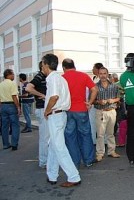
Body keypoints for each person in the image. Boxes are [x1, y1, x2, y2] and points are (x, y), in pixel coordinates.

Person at [41, 54, 81, 187]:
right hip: (60, 114)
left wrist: (46, 110)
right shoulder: (60, 78)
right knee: (53, 145)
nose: (42, 66)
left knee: (58, 147)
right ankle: (52, 175)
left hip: (55, 114)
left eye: (42, 64)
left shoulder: (52, 78)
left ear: (46, 64)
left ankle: (74, 176)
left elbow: (54, 97)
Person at [62, 58, 98, 168]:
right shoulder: (83, 76)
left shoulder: (62, 78)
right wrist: (90, 102)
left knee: (70, 136)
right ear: (74, 66)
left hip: (68, 110)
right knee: (86, 135)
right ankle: (88, 160)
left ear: (64, 68)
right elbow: (95, 89)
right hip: (82, 109)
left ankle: (74, 162)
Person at [25, 61, 49, 168]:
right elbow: (28, 88)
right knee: (45, 137)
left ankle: (46, 160)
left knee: (47, 137)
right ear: (43, 67)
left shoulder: (46, 77)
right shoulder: (39, 77)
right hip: (42, 109)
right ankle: (43, 161)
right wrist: (41, 95)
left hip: (45, 109)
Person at [94, 67, 121, 162]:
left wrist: (113, 100)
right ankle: (100, 153)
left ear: (107, 74)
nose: (102, 75)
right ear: (98, 75)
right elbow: (92, 100)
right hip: (100, 112)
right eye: (100, 73)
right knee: (100, 134)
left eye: (104, 73)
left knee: (111, 133)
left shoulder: (114, 86)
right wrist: (99, 101)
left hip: (111, 111)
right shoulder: (95, 87)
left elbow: (119, 98)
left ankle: (111, 151)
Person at [0, 69, 21, 150]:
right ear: (9, 74)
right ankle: (14, 144)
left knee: (4, 126)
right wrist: (18, 107)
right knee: (15, 125)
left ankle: (5, 144)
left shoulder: (1, 84)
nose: (14, 76)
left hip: (3, 106)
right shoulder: (12, 84)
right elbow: (14, 96)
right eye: (13, 74)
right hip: (11, 105)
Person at [89, 62, 104, 144]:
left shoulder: (103, 79)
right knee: (92, 123)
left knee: (101, 123)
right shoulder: (94, 78)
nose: (92, 69)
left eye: (93, 68)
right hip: (93, 103)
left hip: (99, 103)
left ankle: (103, 141)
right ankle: (94, 140)